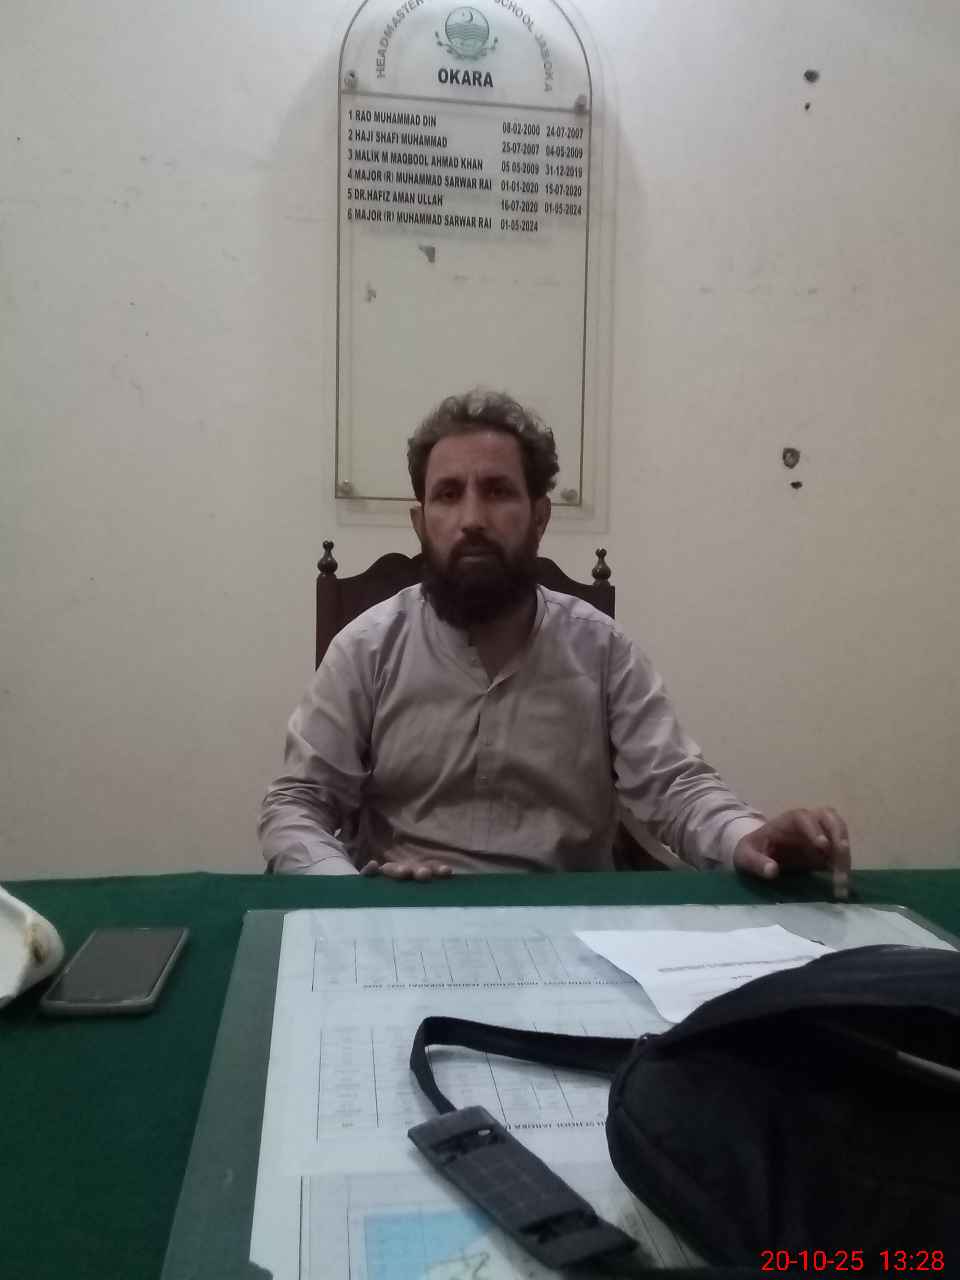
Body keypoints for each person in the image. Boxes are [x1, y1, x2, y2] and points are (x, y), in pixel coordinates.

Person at [259, 390, 850, 891]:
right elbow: (296, 805)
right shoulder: (366, 648)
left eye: (497, 491)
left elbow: (676, 787)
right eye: (448, 494)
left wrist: (750, 837)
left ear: (540, 517)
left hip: (571, 926)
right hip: (399, 921)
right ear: (420, 523)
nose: (472, 519)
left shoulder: (601, 650)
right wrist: (352, 893)